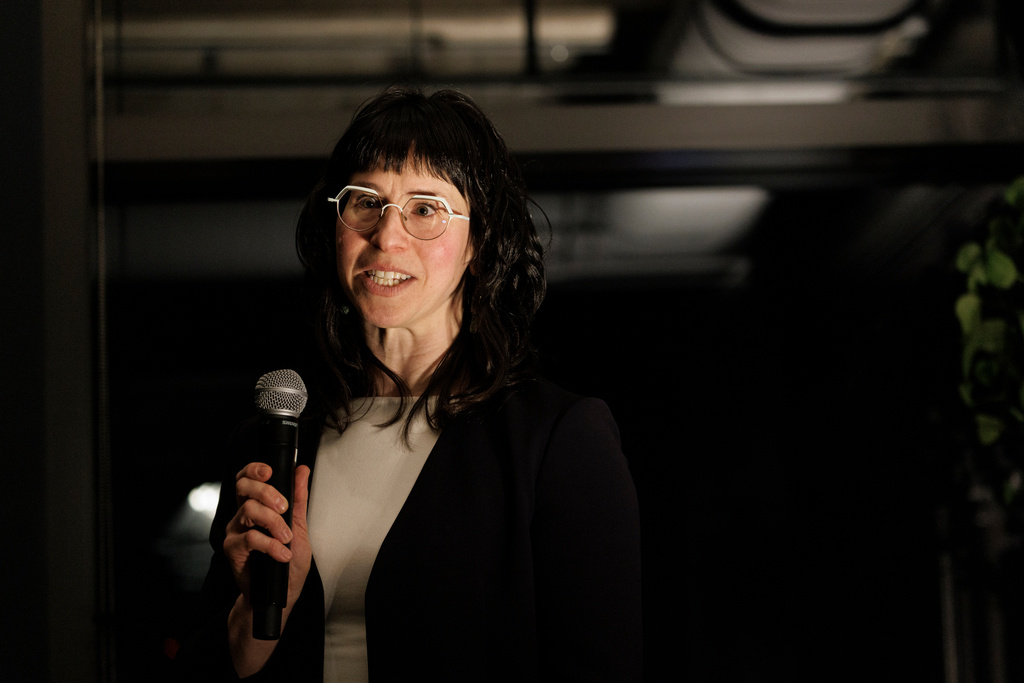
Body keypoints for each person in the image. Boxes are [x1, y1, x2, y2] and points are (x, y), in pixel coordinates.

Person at [174, 86, 642, 682]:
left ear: (479, 243)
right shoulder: (269, 442)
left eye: (426, 209)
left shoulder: (556, 441)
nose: (387, 236)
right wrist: (253, 622)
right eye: (366, 202)